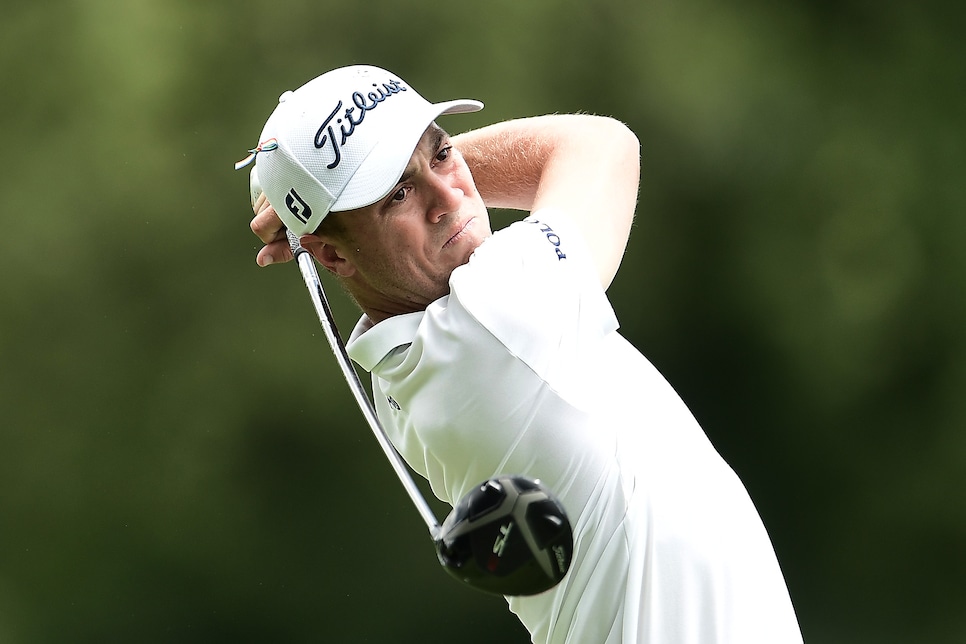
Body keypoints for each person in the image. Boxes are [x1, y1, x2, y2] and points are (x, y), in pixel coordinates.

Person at [238, 64, 803, 643]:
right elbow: (603, 146)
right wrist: (342, 189)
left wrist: (326, 200)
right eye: (398, 195)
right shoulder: (496, 315)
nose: (446, 196)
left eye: (442, 154)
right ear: (332, 258)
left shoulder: (401, 376)